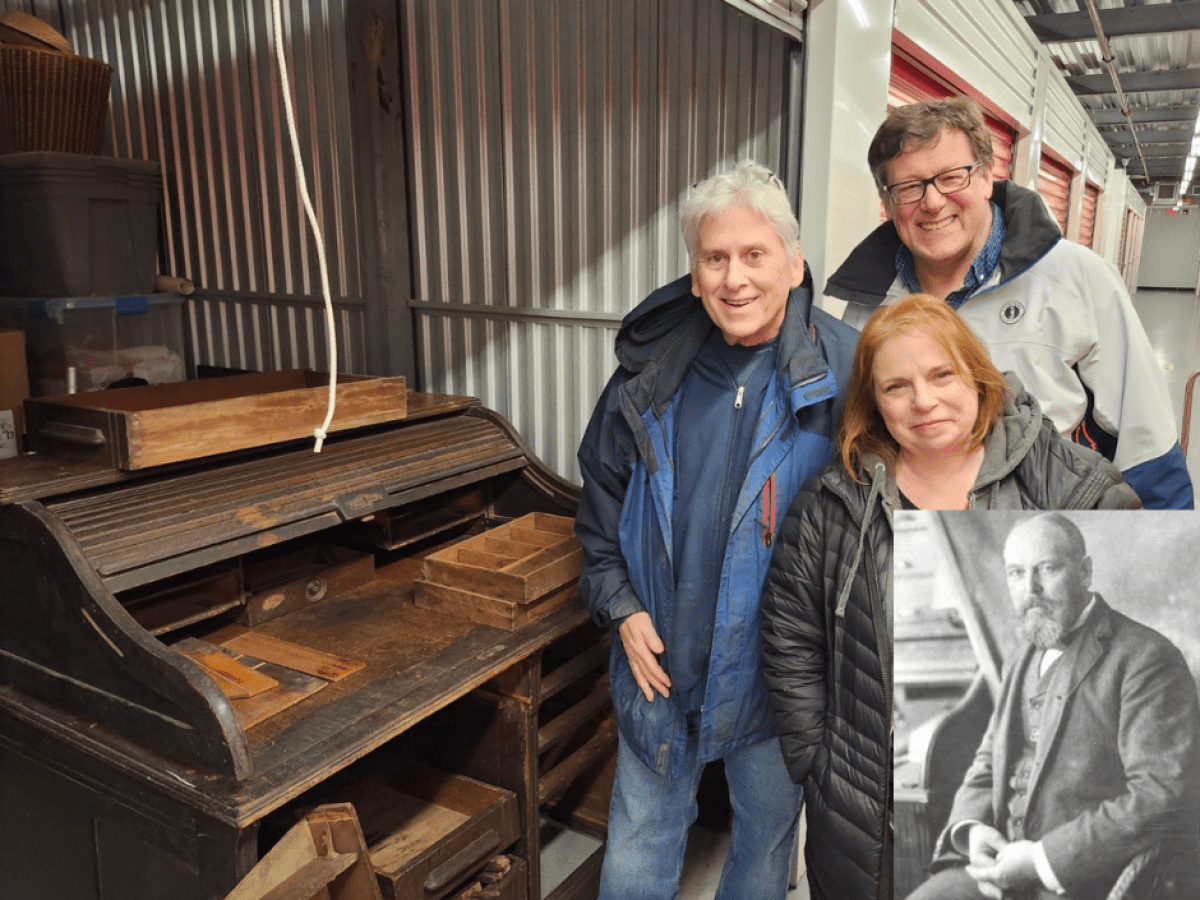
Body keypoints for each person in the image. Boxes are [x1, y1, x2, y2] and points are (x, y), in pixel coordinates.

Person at [758, 294, 1140, 900]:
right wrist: (820, 763)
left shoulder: (1074, 484)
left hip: (1060, 842)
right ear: (874, 402)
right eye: (897, 386)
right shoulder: (834, 502)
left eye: (942, 375)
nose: (924, 401)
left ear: (978, 376)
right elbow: (790, 634)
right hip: (858, 809)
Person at [574, 160, 857, 900]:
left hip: (779, 679)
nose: (735, 279)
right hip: (657, 667)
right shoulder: (646, 374)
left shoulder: (845, 371)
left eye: (754, 254)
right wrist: (621, 608)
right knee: (639, 843)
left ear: (794, 264)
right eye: (715, 258)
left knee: (763, 845)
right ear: (695, 275)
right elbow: (599, 505)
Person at [823, 97, 1193, 510]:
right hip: (911, 542)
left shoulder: (1078, 278)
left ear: (985, 177)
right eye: (909, 187)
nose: (932, 202)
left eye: (951, 177)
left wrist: (1160, 560)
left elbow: (1147, 443)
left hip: (1044, 535)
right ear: (888, 202)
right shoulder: (866, 306)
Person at [902, 513, 1200, 900]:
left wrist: (1042, 859)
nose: (1031, 589)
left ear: (1085, 572)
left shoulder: (1147, 659)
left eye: (1047, 568)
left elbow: (1158, 795)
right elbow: (989, 758)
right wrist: (973, 829)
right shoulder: (1023, 651)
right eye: (1016, 573)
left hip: (1086, 879)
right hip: (998, 868)